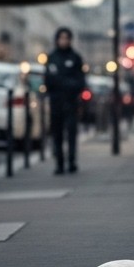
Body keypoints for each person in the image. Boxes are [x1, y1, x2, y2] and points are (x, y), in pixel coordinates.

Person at [43, 27, 87, 175]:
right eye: (61, 38)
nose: (63, 41)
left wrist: (64, 83)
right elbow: (48, 80)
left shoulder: (75, 57)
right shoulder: (52, 57)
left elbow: (80, 81)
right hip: (56, 102)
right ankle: (59, 163)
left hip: (71, 101)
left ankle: (72, 161)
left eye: (66, 38)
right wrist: (64, 83)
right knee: (57, 133)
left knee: (72, 133)